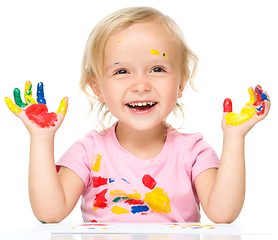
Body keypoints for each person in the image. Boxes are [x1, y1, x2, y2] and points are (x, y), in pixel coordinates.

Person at [4, 6, 270, 224]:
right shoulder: (89, 151)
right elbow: (49, 213)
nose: (140, 84)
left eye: (157, 68)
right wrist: (41, 139)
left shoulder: (193, 151)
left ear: (180, 83)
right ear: (97, 88)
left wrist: (234, 138)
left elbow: (223, 214)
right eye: (121, 72)